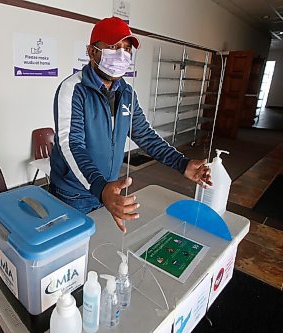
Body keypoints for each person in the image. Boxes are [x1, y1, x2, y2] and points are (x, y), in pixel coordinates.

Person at [49, 17, 211, 233]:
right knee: (71, 254)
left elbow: (145, 135)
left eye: (127, 49)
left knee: (101, 245)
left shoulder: (126, 93)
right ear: (91, 51)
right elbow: (71, 144)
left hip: (109, 191)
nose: (121, 54)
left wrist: (182, 163)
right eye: (113, 47)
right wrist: (100, 187)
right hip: (75, 194)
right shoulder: (73, 89)